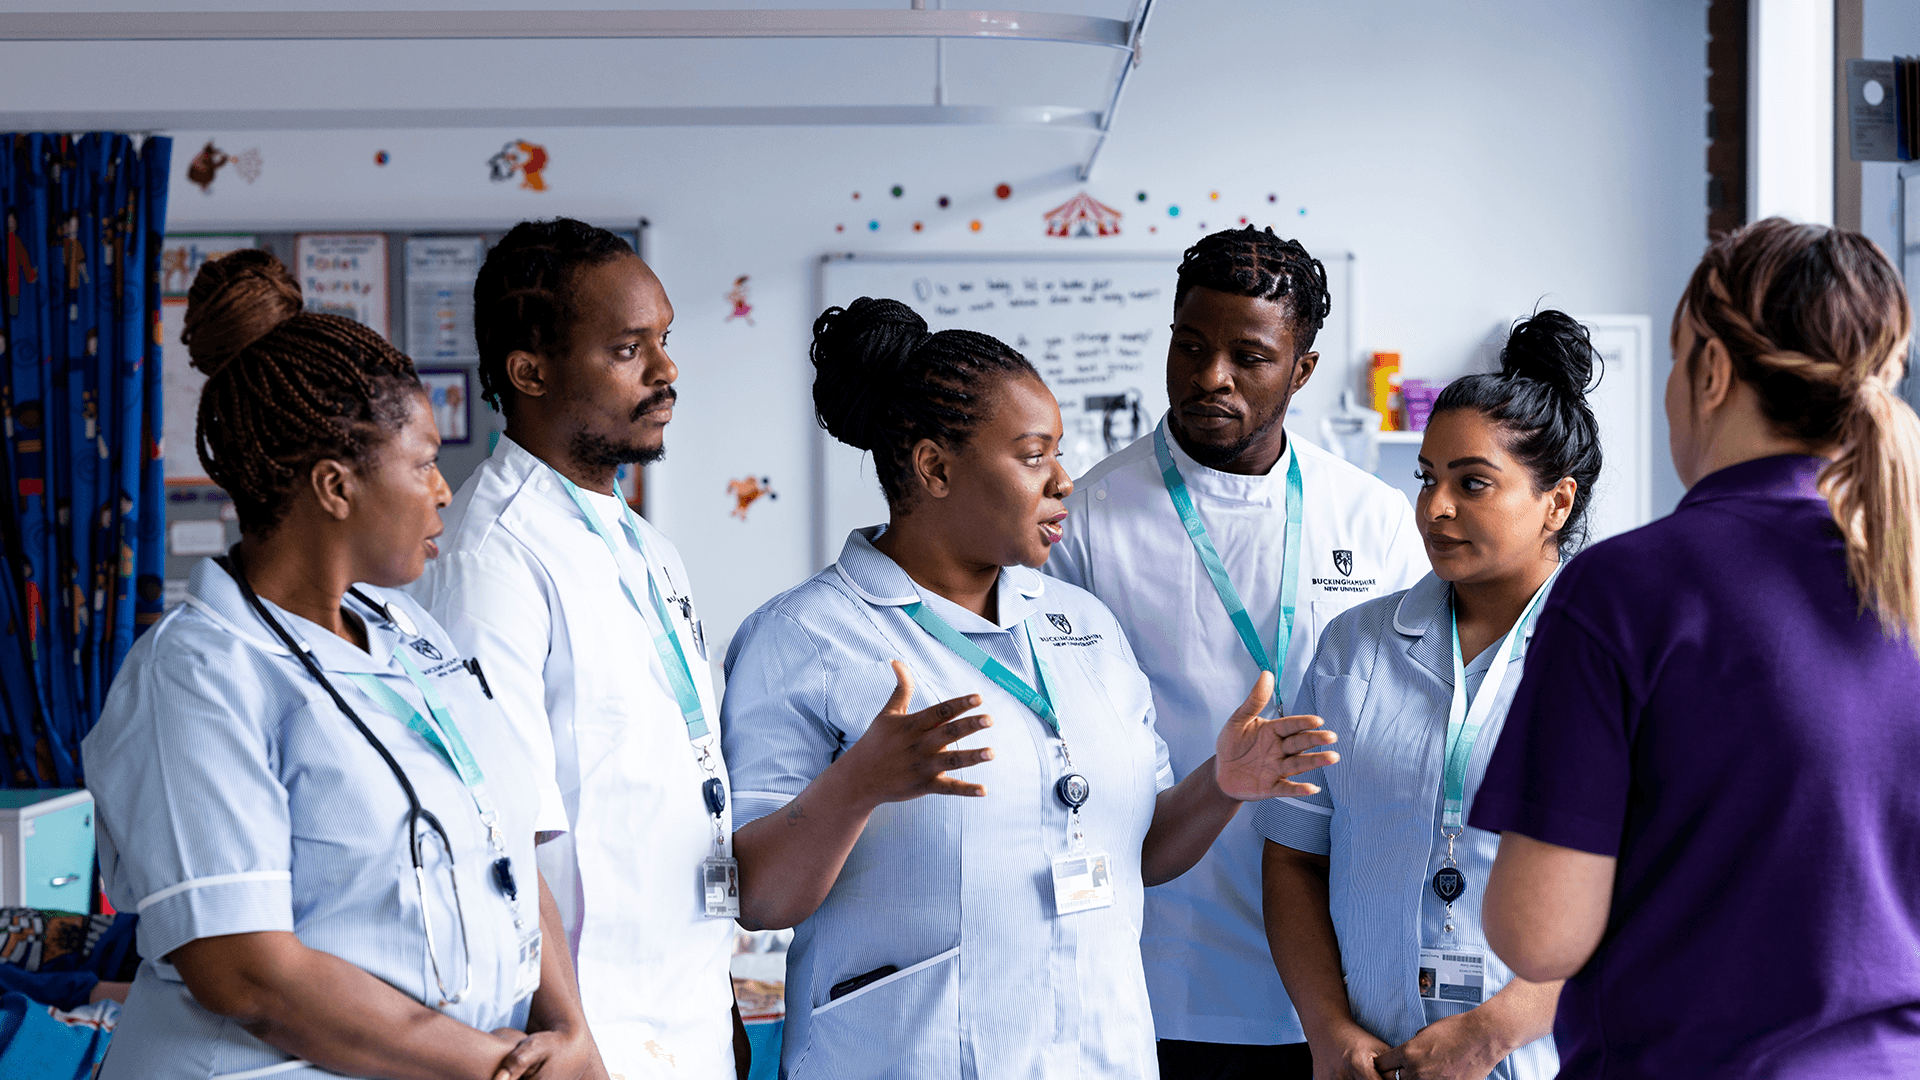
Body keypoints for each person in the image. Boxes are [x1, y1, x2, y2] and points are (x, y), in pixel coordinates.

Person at [719, 298, 1341, 1079]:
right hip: (908, 1056)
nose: (1063, 481)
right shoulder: (806, 636)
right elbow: (760, 898)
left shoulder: (1083, 625)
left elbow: (1135, 851)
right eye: (1033, 455)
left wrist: (1222, 786)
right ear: (935, 468)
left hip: (1100, 1054)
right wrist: (858, 787)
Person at [81, 250, 604, 1079]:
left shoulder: (406, 630)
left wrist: (570, 1034)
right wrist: (498, 1069)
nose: (443, 490)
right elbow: (249, 975)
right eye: (423, 462)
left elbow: (498, 842)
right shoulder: (198, 673)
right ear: (334, 486)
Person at [1475, 219, 1920, 1077]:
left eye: (1681, 359)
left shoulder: (1629, 591)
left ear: (1710, 372)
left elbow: (1539, 935)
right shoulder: (1906, 581)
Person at [1045, 226, 1428, 1078]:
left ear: (1303, 370)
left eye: (1248, 355)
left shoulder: (1373, 521)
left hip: (1345, 981)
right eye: (1189, 345)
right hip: (1160, 963)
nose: (1208, 376)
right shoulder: (1088, 522)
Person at [410, 219, 740, 1079]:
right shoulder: (491, 559)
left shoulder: (645, 546)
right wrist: (572, 1036)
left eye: (664, 340)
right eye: (630, 349)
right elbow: (498, 835)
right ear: (531, 372)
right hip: (585, 1042)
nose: (667, 371)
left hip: (689, 1018)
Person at [1255, 310, 1602, 1080]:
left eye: (1472, 483)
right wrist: (1327, 1030)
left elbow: (1649, 887)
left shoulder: (1607, 659)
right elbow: (1293, 859)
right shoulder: (1354, 648)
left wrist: (1492, 1034)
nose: (1434, 506)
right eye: (1427, 477)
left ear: (1557, 503)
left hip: (1542, 1060)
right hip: (1372, 1062)